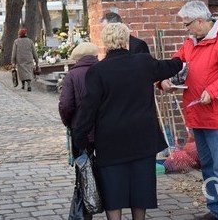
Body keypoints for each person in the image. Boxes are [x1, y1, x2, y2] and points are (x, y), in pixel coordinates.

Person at [73, 23, 182, 220]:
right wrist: (184, 54)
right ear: (125, 40)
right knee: (141, 186)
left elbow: (88, 108)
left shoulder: (98, 71)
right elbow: (171, 66)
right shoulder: (143, 62)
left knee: (112, 187)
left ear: (105, 43)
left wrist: (79, 137)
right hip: (143, 138)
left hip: (110, 140)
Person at [161, 1, 218, 220]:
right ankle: (216, 210)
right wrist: (164, 78)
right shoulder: (192, 41)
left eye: (187, 24)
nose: (186, 29)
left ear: (200, 21)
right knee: (209, 167)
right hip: (198, 115)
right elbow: (177, 62)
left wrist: (213, 90)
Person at [59, 42, 99, 158]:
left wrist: (68, 122)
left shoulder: (72, 75)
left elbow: (66, 105)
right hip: (103, 127)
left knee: (83, 166)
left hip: (80, 127)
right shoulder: (104, 70)